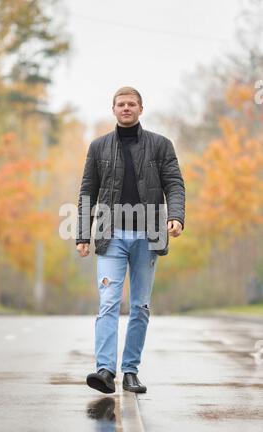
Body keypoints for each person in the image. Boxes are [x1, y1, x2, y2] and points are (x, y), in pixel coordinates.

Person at [76, 86, 185, 394]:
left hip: (147, 236)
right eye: (121, 104)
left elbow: (174, 184)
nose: (126, 108)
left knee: (140, 306)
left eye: (131, 104)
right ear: (113, 109)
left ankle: (130, 371)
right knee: (109, 302)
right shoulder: (98, 147)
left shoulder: (161, 145)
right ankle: (105, 371)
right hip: (111, 237)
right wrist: (82, 235)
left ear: (140, 108)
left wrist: (175, 216)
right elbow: (87, 192)